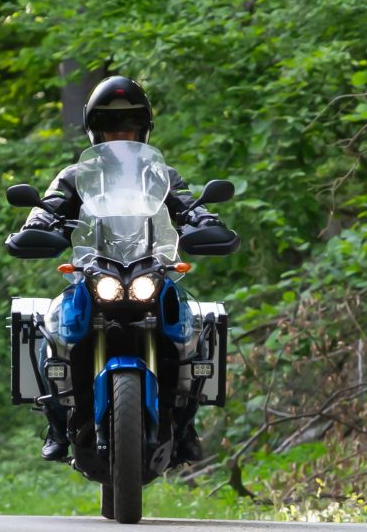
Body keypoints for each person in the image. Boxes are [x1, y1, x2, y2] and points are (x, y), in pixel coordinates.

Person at [21, 76, 224, 464]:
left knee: (191, 326)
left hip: (149, 266)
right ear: (95, 130)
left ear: (143, 128)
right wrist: (36, 225)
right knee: (54, 323)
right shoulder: (76, 175)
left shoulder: (158, 174)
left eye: (128, 125)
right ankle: (55, 419)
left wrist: (203, 219)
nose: (120, 133)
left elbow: (186, 204)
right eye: (111, 126)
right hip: (94, 269)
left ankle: (186, 420)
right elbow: (49, 205)